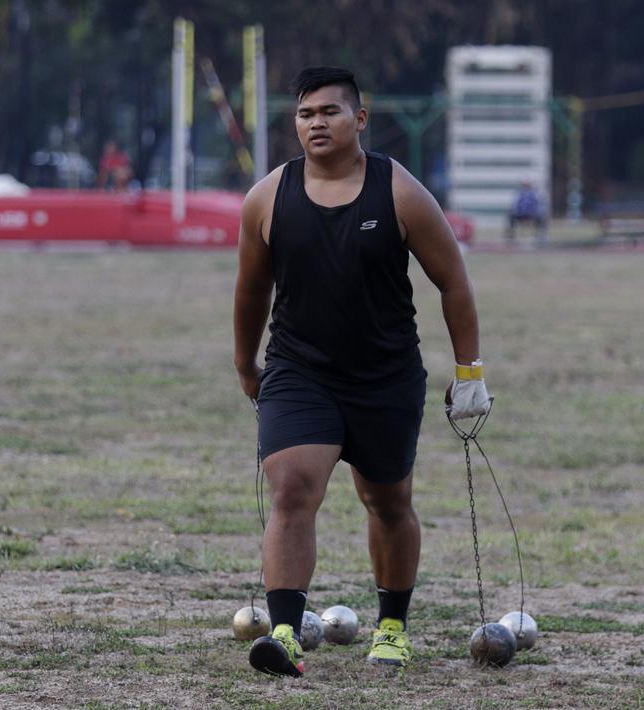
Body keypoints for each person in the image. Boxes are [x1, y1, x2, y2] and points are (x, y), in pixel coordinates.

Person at [233, 66, 491, 677]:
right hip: (300, 370)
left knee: (387, 501)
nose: (316, 123)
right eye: (304, 114)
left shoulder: (398, 191)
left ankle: (394, 626)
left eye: (329, 111)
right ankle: (286, 634)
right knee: (292, 485)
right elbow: (250, 291)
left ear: (360, 119)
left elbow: (453, 281)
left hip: (386, 376)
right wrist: (246, 361)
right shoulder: (267, 198)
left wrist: (470, 371)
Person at [505, 179, 548, 244]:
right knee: (511, 215)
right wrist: (516, 211)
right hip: (520, 214)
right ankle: (511, 236)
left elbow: (539, 204)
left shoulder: (535, 193)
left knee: (542, 217)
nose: (526, 185)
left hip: (532, 214)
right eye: (525, 184)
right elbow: (514, 205)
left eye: (528, 184)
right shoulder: (519, 193)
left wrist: (536, 212)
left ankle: (541, 236)